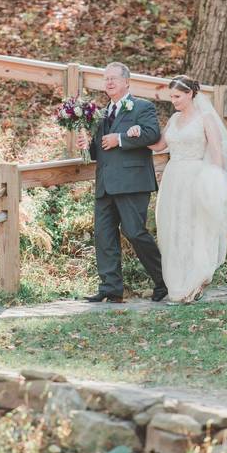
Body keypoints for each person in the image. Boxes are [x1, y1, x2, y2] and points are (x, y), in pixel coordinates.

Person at [127, 75, 227, 303]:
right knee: (173, 228)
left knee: (195, 228)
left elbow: (217, 153)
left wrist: (214, 183)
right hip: (173, 179)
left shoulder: (205, 118)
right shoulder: (174, 119)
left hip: (196, 177)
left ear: (190, 94)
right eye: (171, 96)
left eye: (177, 96)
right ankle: (177, 281)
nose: (173, 101)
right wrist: (138, 134)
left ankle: (195, 281)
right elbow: (159, 146)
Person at [76, 62, 168, 303]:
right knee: (103, 235)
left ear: (127, 82)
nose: (108, 82)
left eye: (113, 78)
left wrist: (121, 138)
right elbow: (101, 150)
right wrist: (89, 148)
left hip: (132, 182)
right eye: (105, 78)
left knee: (135, 233)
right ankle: (110, 288)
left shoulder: (141, 107)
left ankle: (163, 280)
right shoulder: (101, 113)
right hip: (105, 184)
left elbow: (152, 136)